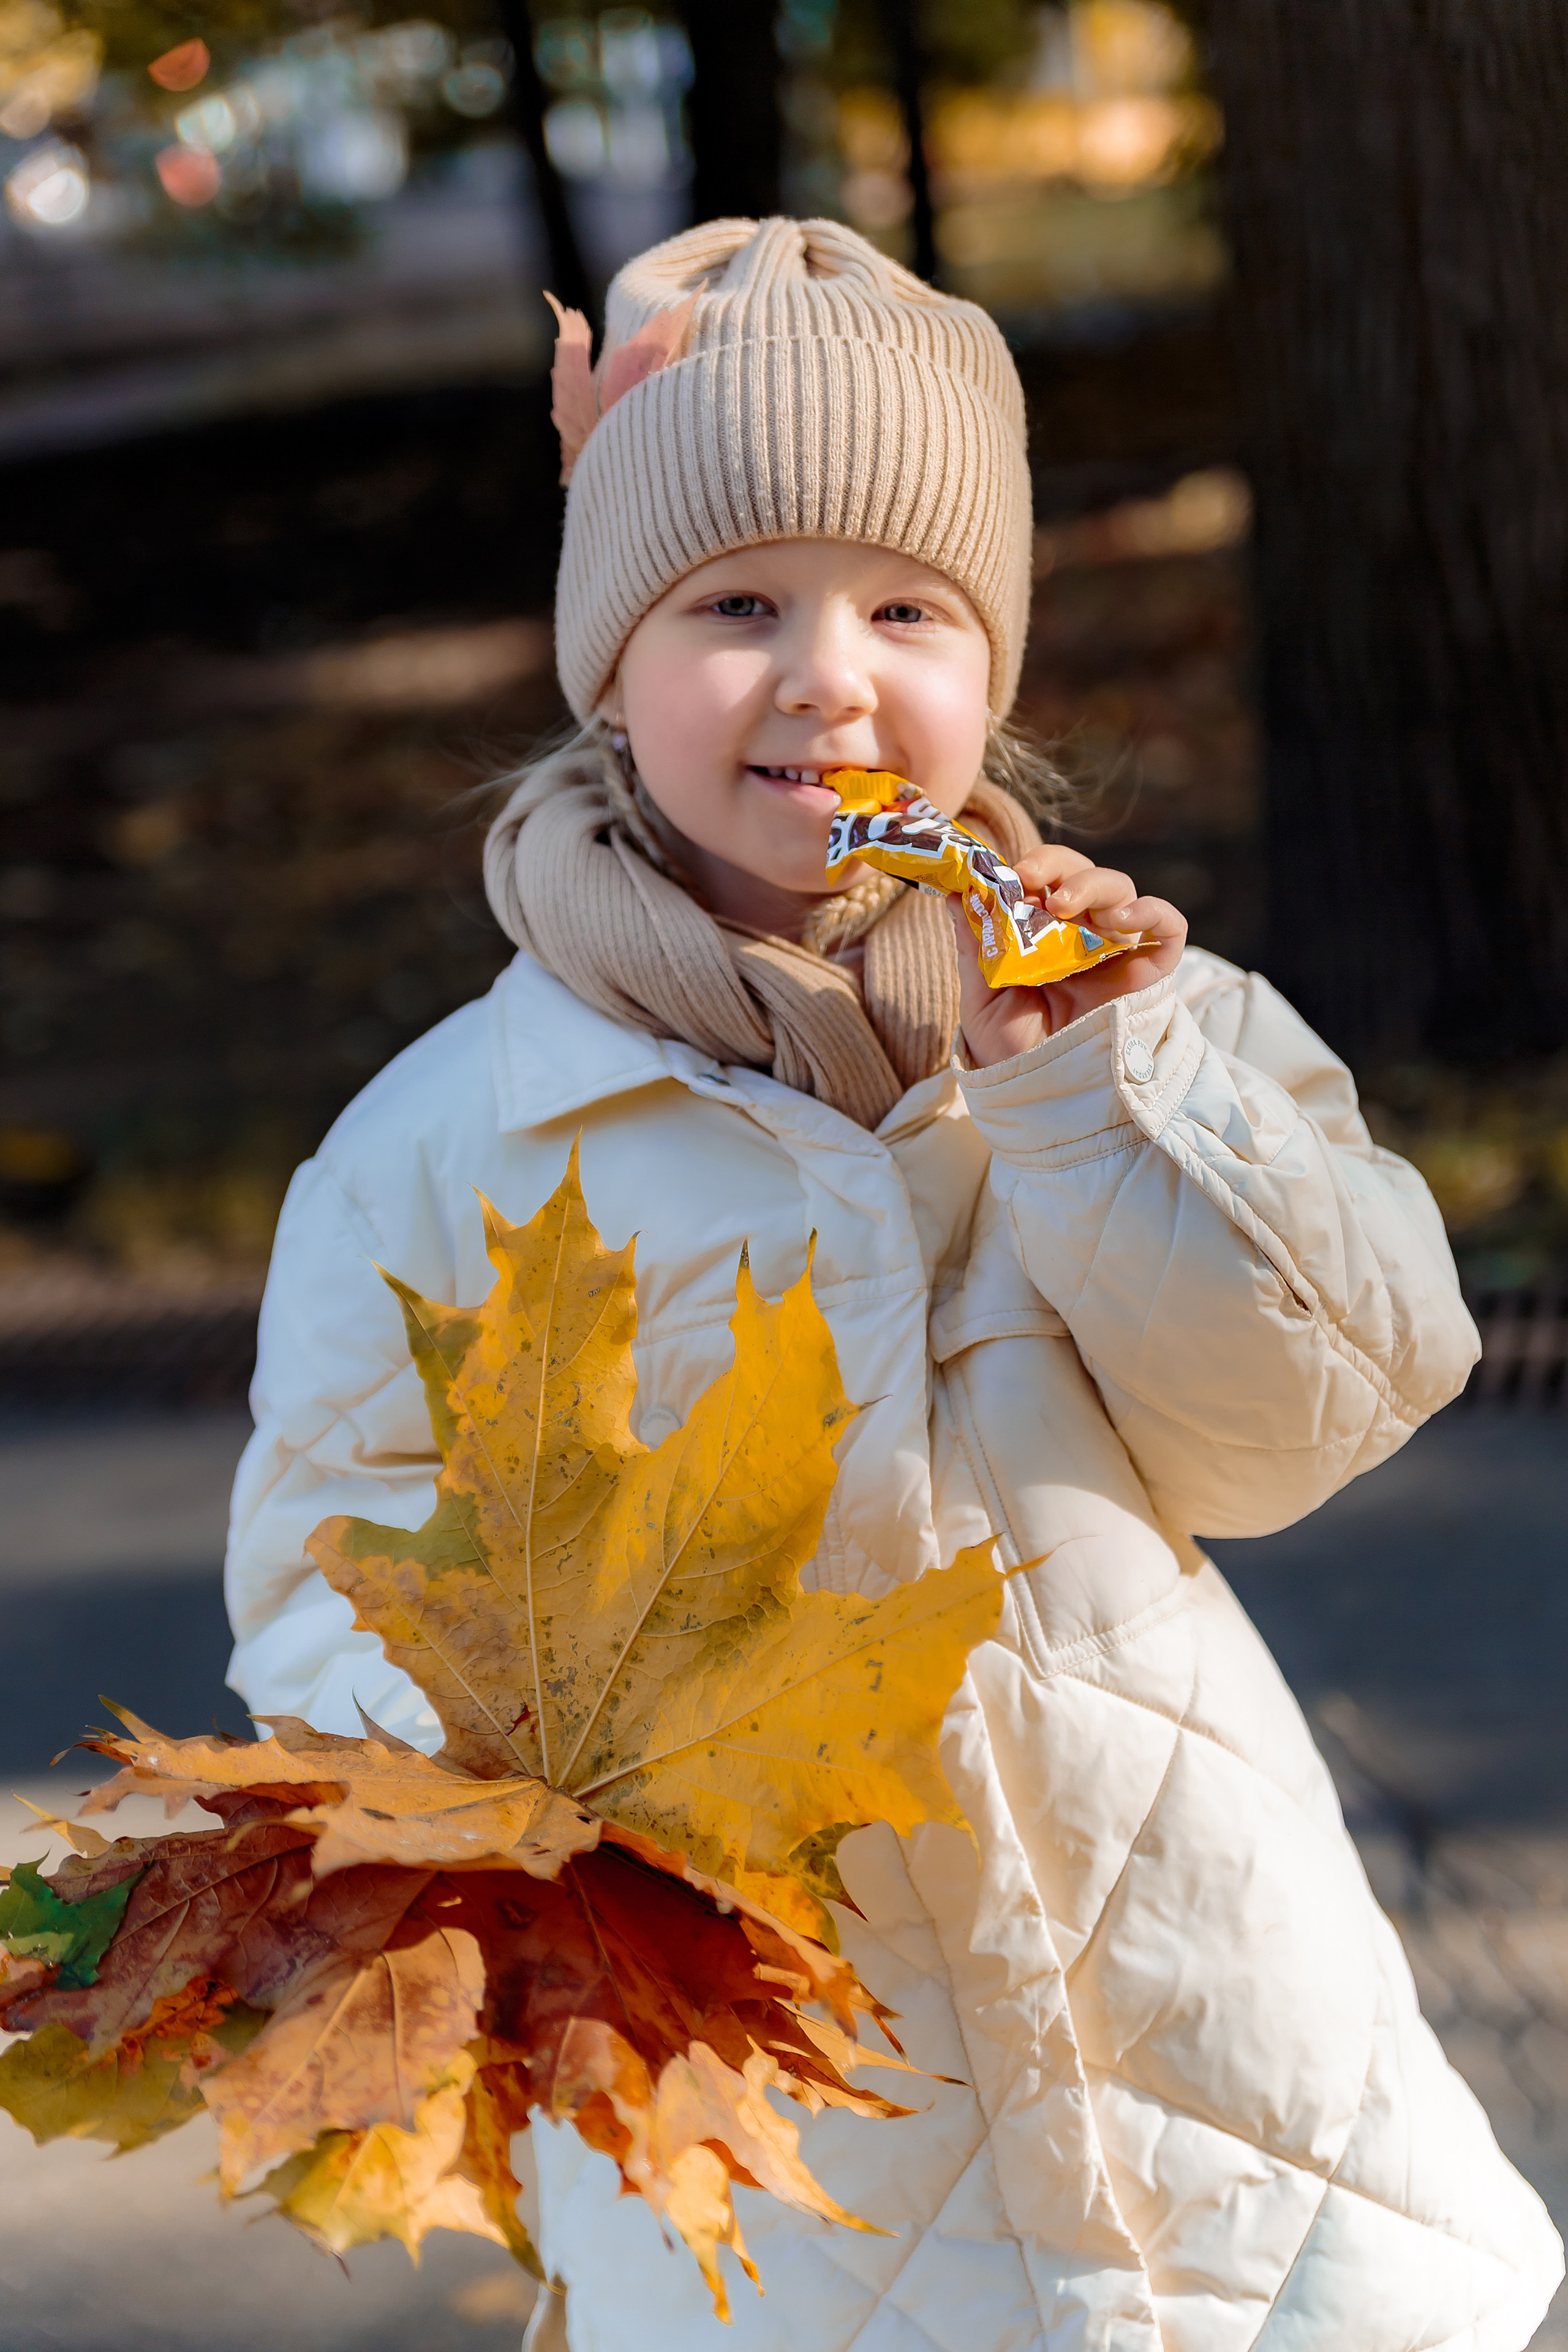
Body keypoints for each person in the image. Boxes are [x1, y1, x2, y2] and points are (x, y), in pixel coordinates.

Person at [224, 216, 1562, 2352]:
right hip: (782, 2155)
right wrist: (539, 1744)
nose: (827, 674)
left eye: (909, 607)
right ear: (613, 663)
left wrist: (1099, 1104)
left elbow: (1311, 1415)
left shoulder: (1126, 1010)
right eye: (734, 603)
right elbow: (318, 1584)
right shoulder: (445, 1145)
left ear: (993, 669)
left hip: (1215, 2091)